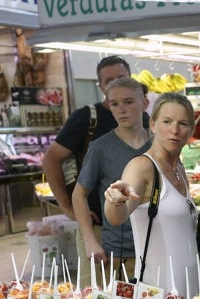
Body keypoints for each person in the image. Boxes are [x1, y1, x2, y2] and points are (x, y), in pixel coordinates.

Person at [42, 56, 135, 286]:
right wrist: (68, 208)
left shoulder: (140, 119)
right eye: (109, 80)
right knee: (96, 293)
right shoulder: (86, 118)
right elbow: (51, 159)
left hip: (136, 229)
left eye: (121, 78)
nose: (115, 84)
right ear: (101, 86)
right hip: (97, 227)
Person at [103, 92, 199, 298]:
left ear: (191, 129)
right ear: (153, 124)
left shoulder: (179, 169)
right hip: (158, 292)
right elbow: (116, 216)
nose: (175, 130)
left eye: (183, 123)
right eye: (167, 121)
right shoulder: (142, 166)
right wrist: (115, 201)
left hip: (189, 286)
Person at [72, 77, 151, 279]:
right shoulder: (100, 148)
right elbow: (79, 195)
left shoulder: (158, 144)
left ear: (145, 103)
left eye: (128, 102)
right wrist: (89, 240)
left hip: (156, 247)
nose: (121, 109)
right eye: (114, 104)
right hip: (119, 254)